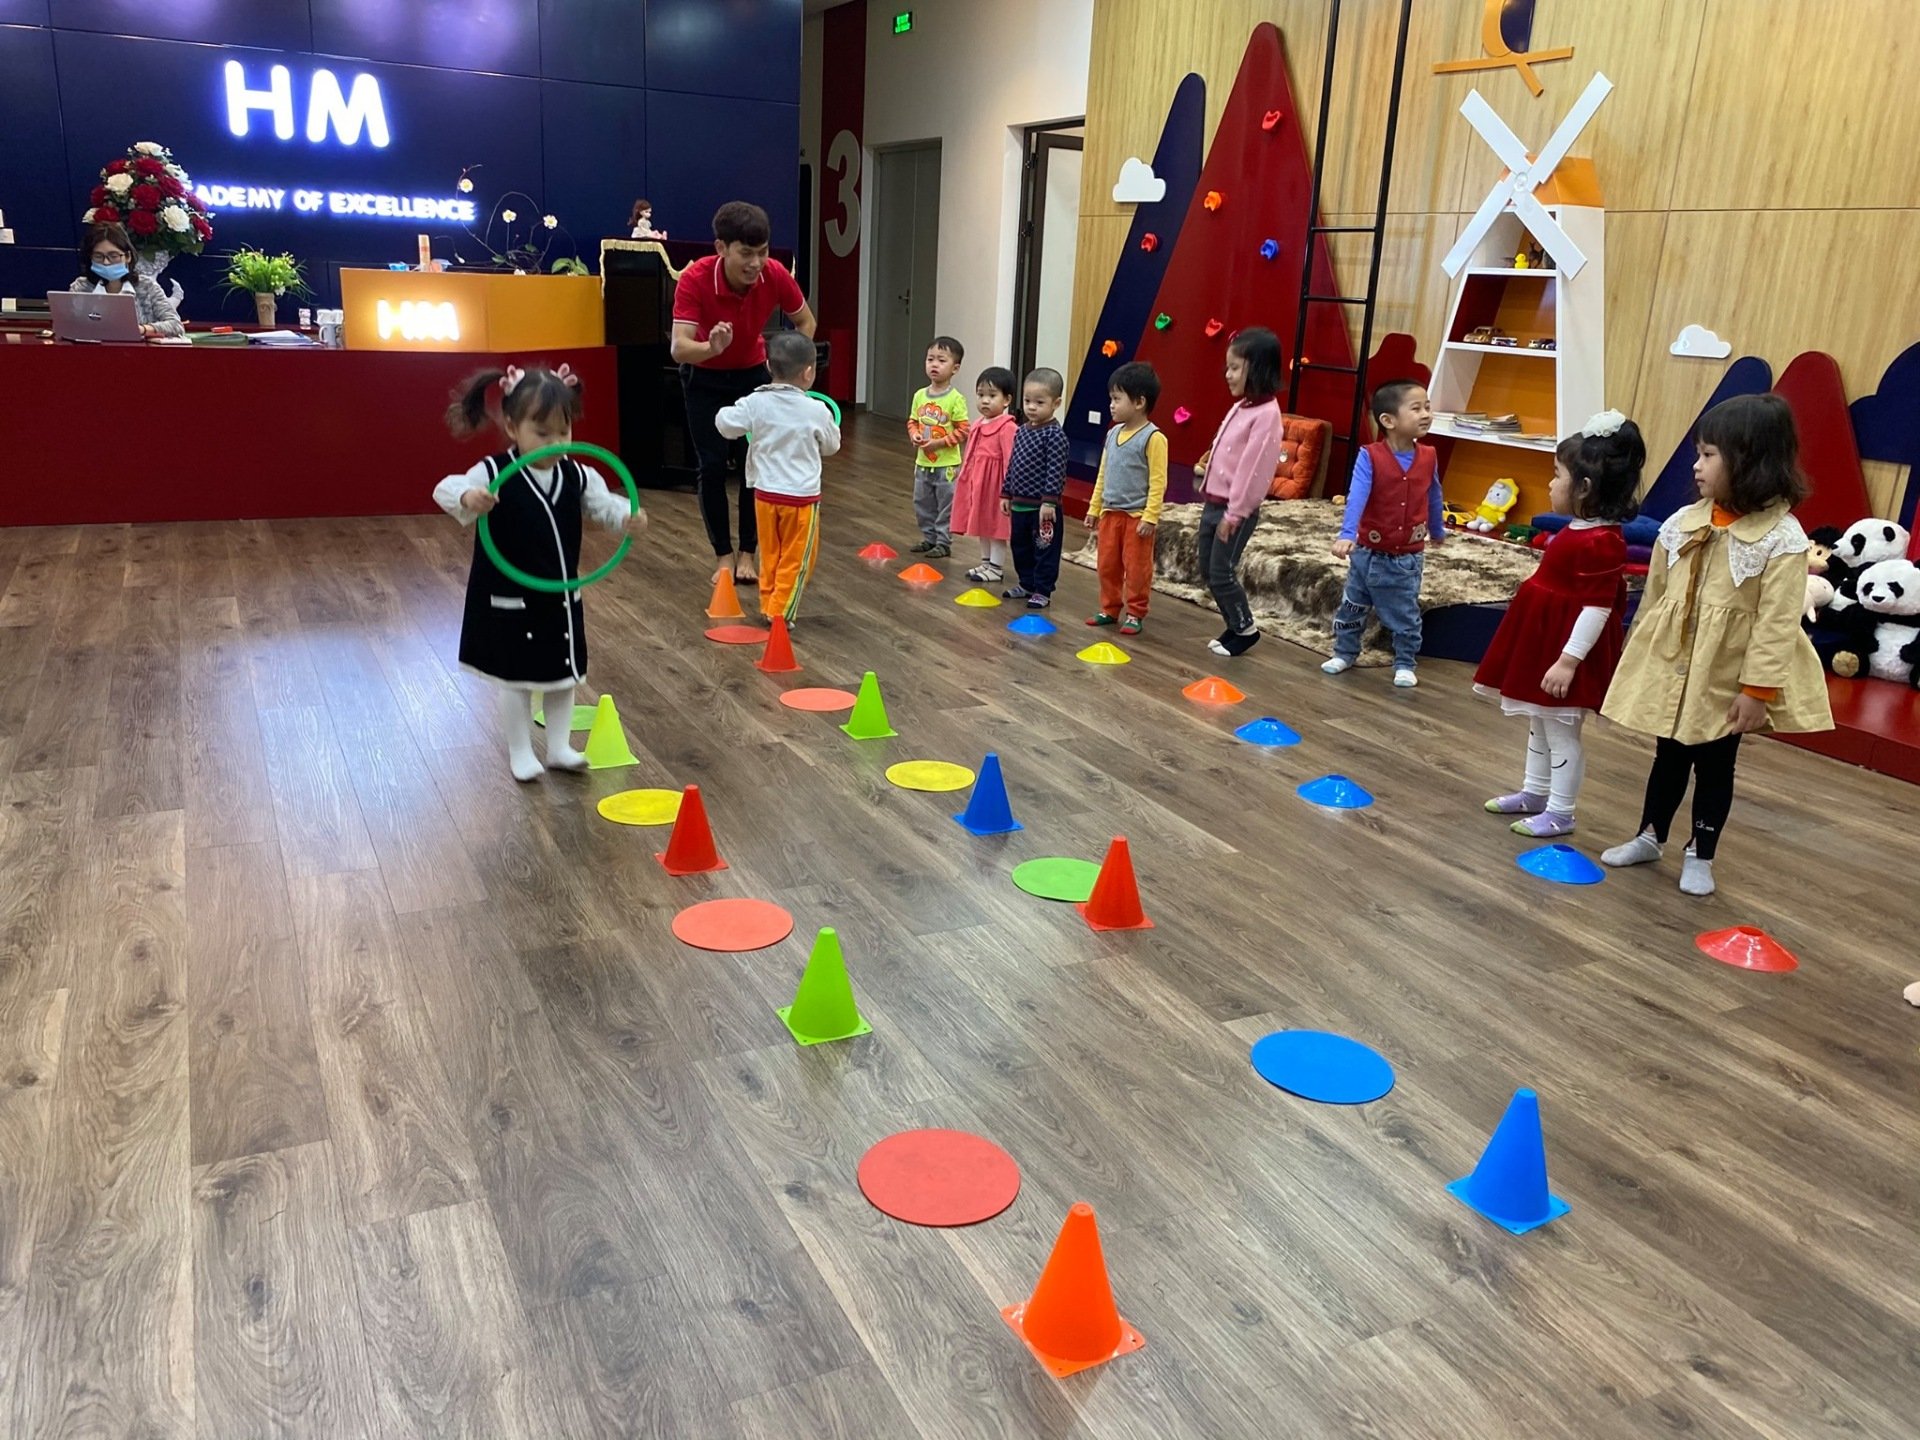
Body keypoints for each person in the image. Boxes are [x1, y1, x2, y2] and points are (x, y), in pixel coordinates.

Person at [1599, 393, 1833, 896]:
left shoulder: (1782, 538)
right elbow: (1656, 596)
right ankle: (1649, 835)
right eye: (1698, 454)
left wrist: (1757, 691)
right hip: (1676, 667)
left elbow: (1776, 624)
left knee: (1714, 764)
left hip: (1726, 676)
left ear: (1748, 460)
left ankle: (1700, 853)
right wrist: (1638, 652)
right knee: (1668, 754)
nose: (1696, 466)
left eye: (1708, 455)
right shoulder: (1682, 522)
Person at [433, 364, 648, 783]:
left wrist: (627, 517)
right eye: (542, 433)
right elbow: (444, 488)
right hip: (509, 596)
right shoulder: (493, 473)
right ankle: (520, 751)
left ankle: (560, 747)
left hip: (559, 596)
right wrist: (469, 496)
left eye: (563, 432)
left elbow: (604, 505)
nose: (555, 443)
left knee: (562, 674)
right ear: (512, 427)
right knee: (516, 678)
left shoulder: (578, 473)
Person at [1474, 412, 1643, 837]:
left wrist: (1568, 661)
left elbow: (1598, 609)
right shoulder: (1580, 529)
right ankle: (1535, 792)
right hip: (1547, 641)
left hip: (1567, 651)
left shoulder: (1602, 541)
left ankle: (1561, 812)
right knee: (1539, 721)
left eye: (1556, 475)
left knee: (1562, 731)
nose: (1549, 485)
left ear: (1583, 487)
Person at [671, 201, 816, 587]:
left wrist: (789, 374)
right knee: (712, 466)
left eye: (763, 252)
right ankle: (723, 555)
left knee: (756, 464)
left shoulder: (774, 274)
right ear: (721, 248)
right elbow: (679, 347)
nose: (756, 263)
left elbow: (806, 322)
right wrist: (710, 348)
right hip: (704, 377)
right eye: (746, 253)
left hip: (754, 376)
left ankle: (748, 553)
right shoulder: (695, 278)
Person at [714, 332, 840, 627]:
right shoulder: (816, 410)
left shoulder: (755, 403)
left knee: (771, 554)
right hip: (802, 499)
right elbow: (832, 446)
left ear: (769, 366)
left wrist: (734, 413)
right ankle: (780, 611)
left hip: (765, 495)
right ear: (808, 372)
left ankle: (769, 604)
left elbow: (724, 424)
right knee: (798, 559)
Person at [1323, 380, 1444, 685]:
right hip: (1366, 553)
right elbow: (1358, 495)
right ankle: (1345, 652)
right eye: (1416, 408)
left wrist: (1436, 529)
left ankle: (1405, 662)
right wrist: (1347, 533)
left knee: (1404, 613)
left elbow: (1434, 494)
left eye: (1427, 407)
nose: (1426, 414)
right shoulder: (1369, 456)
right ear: (1388, 420)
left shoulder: (1429, 455)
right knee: (1352, 606)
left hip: (1406, 558)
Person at [1192, 328, 1286, 657]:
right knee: (1208, 569)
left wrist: (1234, 514)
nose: (1227, 375)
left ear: (1256, 369)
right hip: (1215, 504)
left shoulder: (1267, 415)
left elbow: (1253, 472)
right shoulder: (1242, 406)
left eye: (1234, 368)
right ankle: (1234, 625)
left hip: (1236, 510)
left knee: (1222, 571)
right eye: (1227, 367)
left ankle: (1245, 629)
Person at [1084, 361, 1168, 636]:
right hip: (1110, 514)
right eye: (1111, 398)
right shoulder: (1112, 434)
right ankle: (1109, 608)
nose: (1111, 405)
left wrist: (1150, 517)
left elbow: (1158, 482)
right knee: (1107, 565)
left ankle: (1135, 612)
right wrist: (1094, 508)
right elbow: (1103, 473)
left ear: (1140, 402)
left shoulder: (1153, 438)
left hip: (1136, 518)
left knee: (1137, 569)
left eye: (1117, 399)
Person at [999, 368, 1070, 607]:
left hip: (1043, 509)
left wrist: (1049, 501)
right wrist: (1006, 492)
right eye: (1027, 400)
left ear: (1056, 403)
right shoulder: (1021, 431)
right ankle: (1026, 583)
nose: (1031, 407)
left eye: (1039, 402)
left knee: (1044, 548)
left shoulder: (1054, 435)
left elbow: (1056, 471)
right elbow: (1013, 464)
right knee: (1020, 547)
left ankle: (1042, 589)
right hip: (1019, 504)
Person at [952, 366, 1019, 584]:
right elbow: (971, 454)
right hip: (979, 484)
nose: (985, 401)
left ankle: (996, 568)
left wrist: (1009, 490)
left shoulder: (1007, 428)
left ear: (1007, 400)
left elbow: (1011, 460)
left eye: (992, 395)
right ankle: (986, 563)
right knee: (982, 524)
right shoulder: (978, 424)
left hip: (996, 487)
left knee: (996, 527)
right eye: (980, 395)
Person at [907, 337, 969, 557]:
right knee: (922, 502)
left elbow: (963, 430)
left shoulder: (955, 399)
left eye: (941, 360)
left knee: (946, 504)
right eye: (930, 359)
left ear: (955, 368)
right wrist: (914, 434)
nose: (934, 364)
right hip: (923, 462)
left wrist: (940, 443)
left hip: (947, 465)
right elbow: (913, 421)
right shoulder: (919, 395)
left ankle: (943, 542)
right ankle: (929, 538)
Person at [69, 221, 183, 339]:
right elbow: (68, 324)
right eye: (98, 256)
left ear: (128, 256)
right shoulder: (81, 287)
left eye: (113, 256)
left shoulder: (146, 286)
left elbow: (175, 325)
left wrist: (143, 329)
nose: (106, 262)